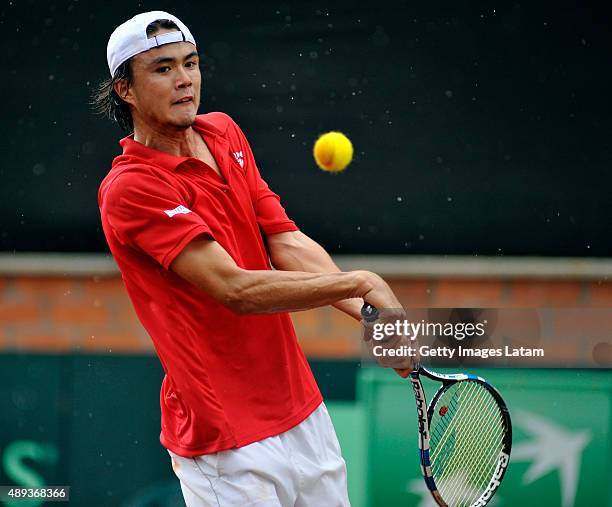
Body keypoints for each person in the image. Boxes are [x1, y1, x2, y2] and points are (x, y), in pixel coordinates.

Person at [96, 11, 413, 507]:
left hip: (302, 413)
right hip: (226, 439)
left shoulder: (224, 133)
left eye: (191, 63)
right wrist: (358, 284)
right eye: (162, 69)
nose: (184, 80)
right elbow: (235, 290)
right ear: (125, 90)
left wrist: (379, 325)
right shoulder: (132, 189)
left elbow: (284, 242)